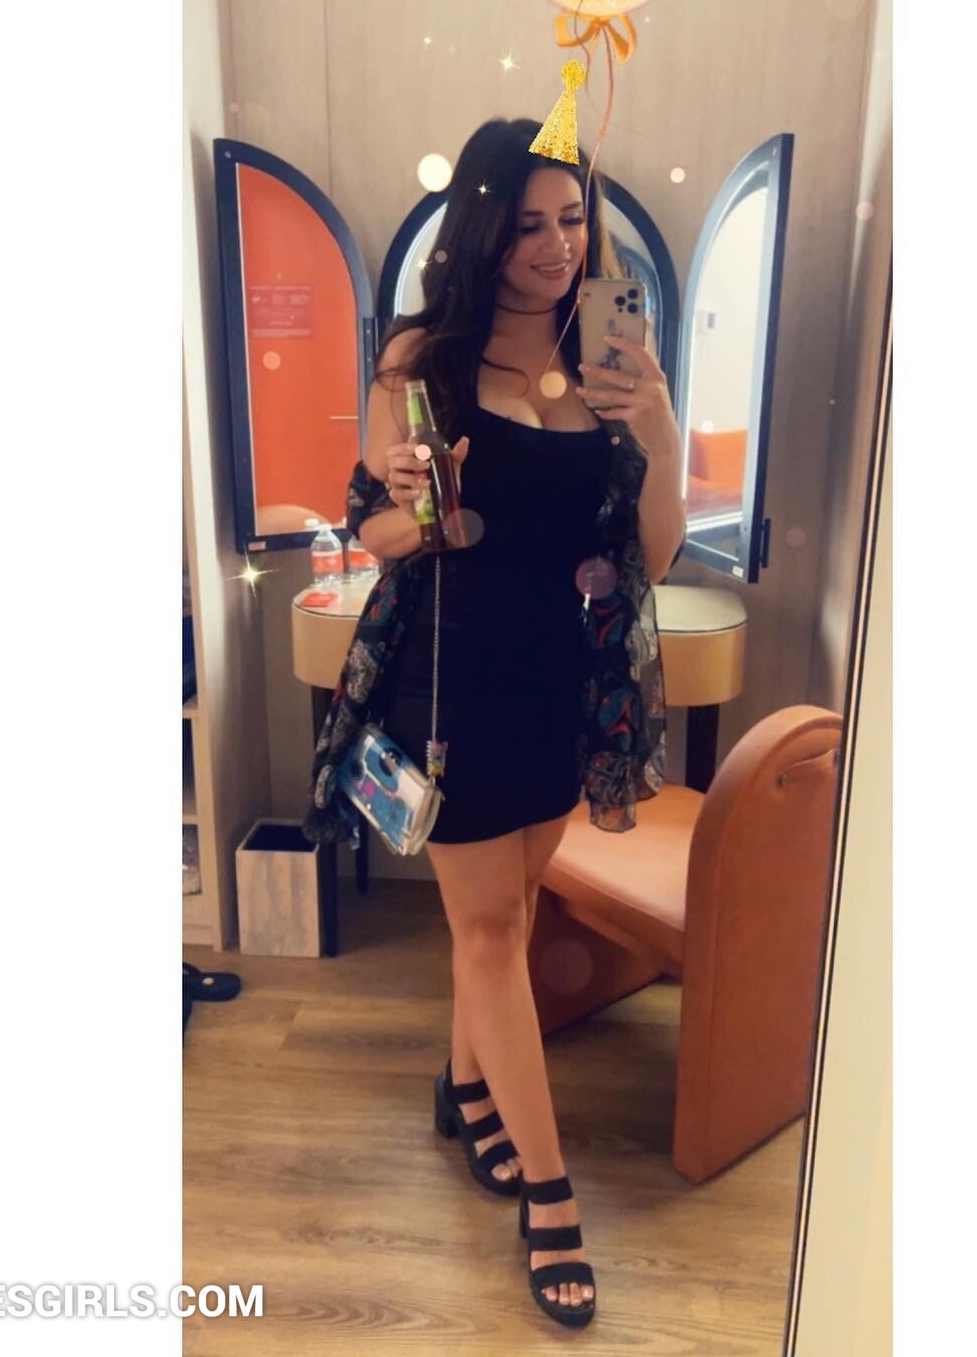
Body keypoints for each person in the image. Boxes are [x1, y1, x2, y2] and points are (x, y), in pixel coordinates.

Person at [304, 117, 684, 1327]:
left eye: (570, 219)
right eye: (524, 225)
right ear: (480, 228)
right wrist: (418, 501)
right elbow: (375, 533)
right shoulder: (426, 356)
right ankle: (553, 1201)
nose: (554, 247)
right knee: (484, 933)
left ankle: (465, 1087)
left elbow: (654, 553)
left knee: (511, 919)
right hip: (450, 674)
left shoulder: (610, 358)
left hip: (560, 681)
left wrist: (659, 426)